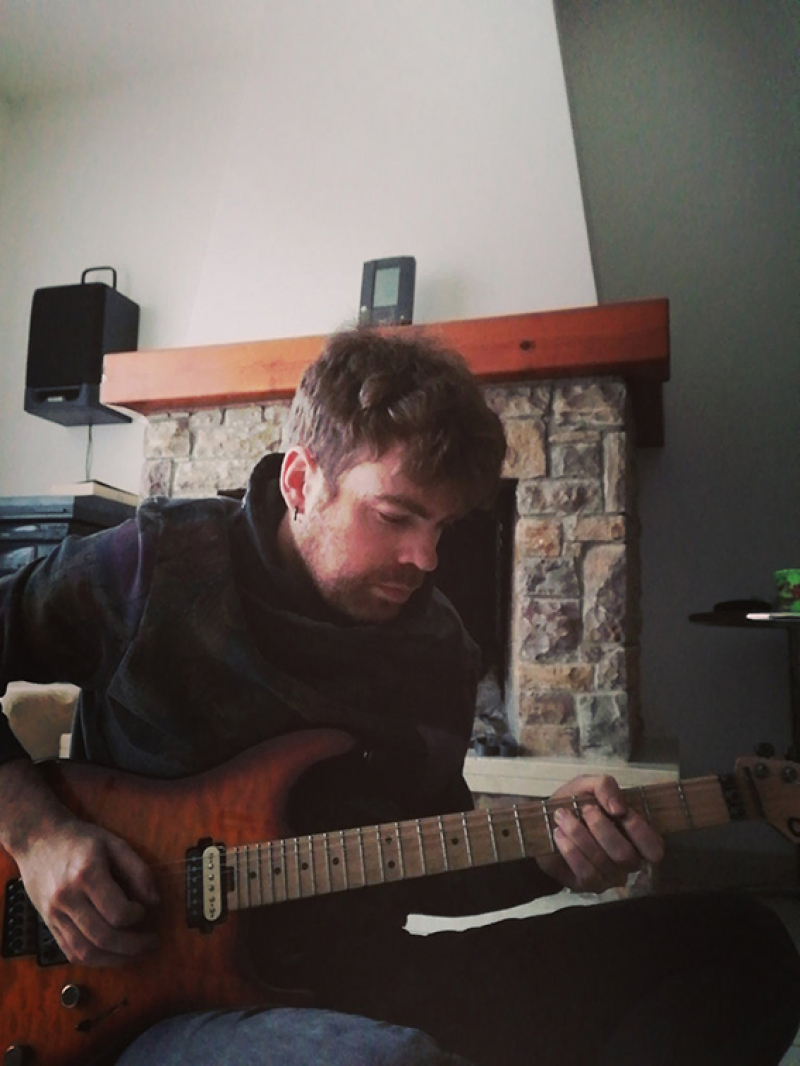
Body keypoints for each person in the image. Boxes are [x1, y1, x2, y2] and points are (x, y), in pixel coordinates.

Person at [0, 327, 799, 1065]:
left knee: (744, 946)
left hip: (359, 978)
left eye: (444, 527)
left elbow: (420, 868)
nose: (426, 558)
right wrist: (38, 837)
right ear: (302, 480)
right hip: (144, 1008)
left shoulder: (437, 649)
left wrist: (549, 856)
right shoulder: (159, 563)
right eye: (396, 516)